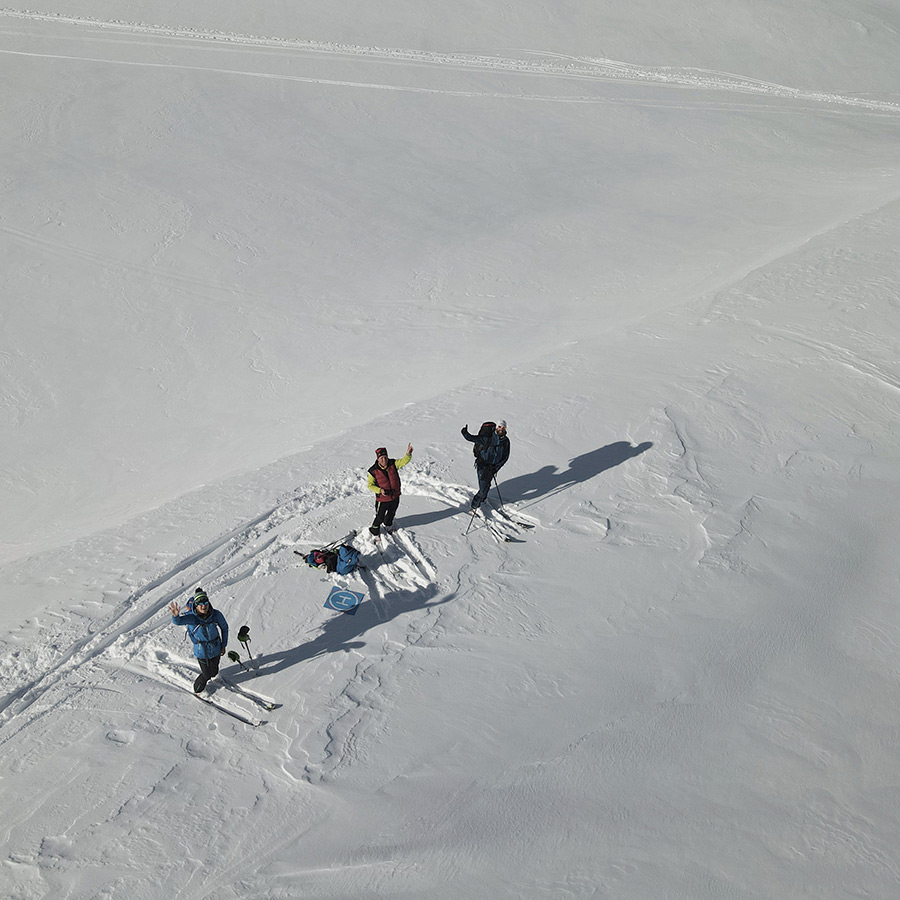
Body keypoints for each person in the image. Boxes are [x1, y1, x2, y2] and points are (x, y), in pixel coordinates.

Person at [169, 587, 229, 693]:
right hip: (202, 651)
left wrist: (223, 645)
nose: (204, 605)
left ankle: (213, 677)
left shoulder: (215, 614)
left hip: (216, 648)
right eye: (200, 603)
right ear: (196, 606)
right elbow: (178, 622)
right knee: (206, 674)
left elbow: (224, 627)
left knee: (214, 671)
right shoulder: (192, 618)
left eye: (205, 602)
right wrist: (175, 616)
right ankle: (197, 691)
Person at [461, 419, 510, 510]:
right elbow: (472, 438)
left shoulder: (506, 441)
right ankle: (474, 506)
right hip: (483, 466)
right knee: (483, 489)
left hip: (493, 468)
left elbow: (505, 457)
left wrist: (496, 468)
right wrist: (465, 433)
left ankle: (482, 500)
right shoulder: (488, 438)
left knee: (487, 485)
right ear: (496, 427)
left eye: (503, 427)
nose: (501, 429)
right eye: (499, 427)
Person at [367, 443, 413, 536]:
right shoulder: (373, 471)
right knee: (379, 516)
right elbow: (370, 485)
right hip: (382, 499)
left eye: (385, 457)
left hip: (395, 496)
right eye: (381, 458)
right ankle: (374, 529)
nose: (384, 460)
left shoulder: (393, 464)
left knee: (392, 513)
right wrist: (380, 490)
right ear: (378, 459)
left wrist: (408, 454)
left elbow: (403, 461)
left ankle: (388, 524)